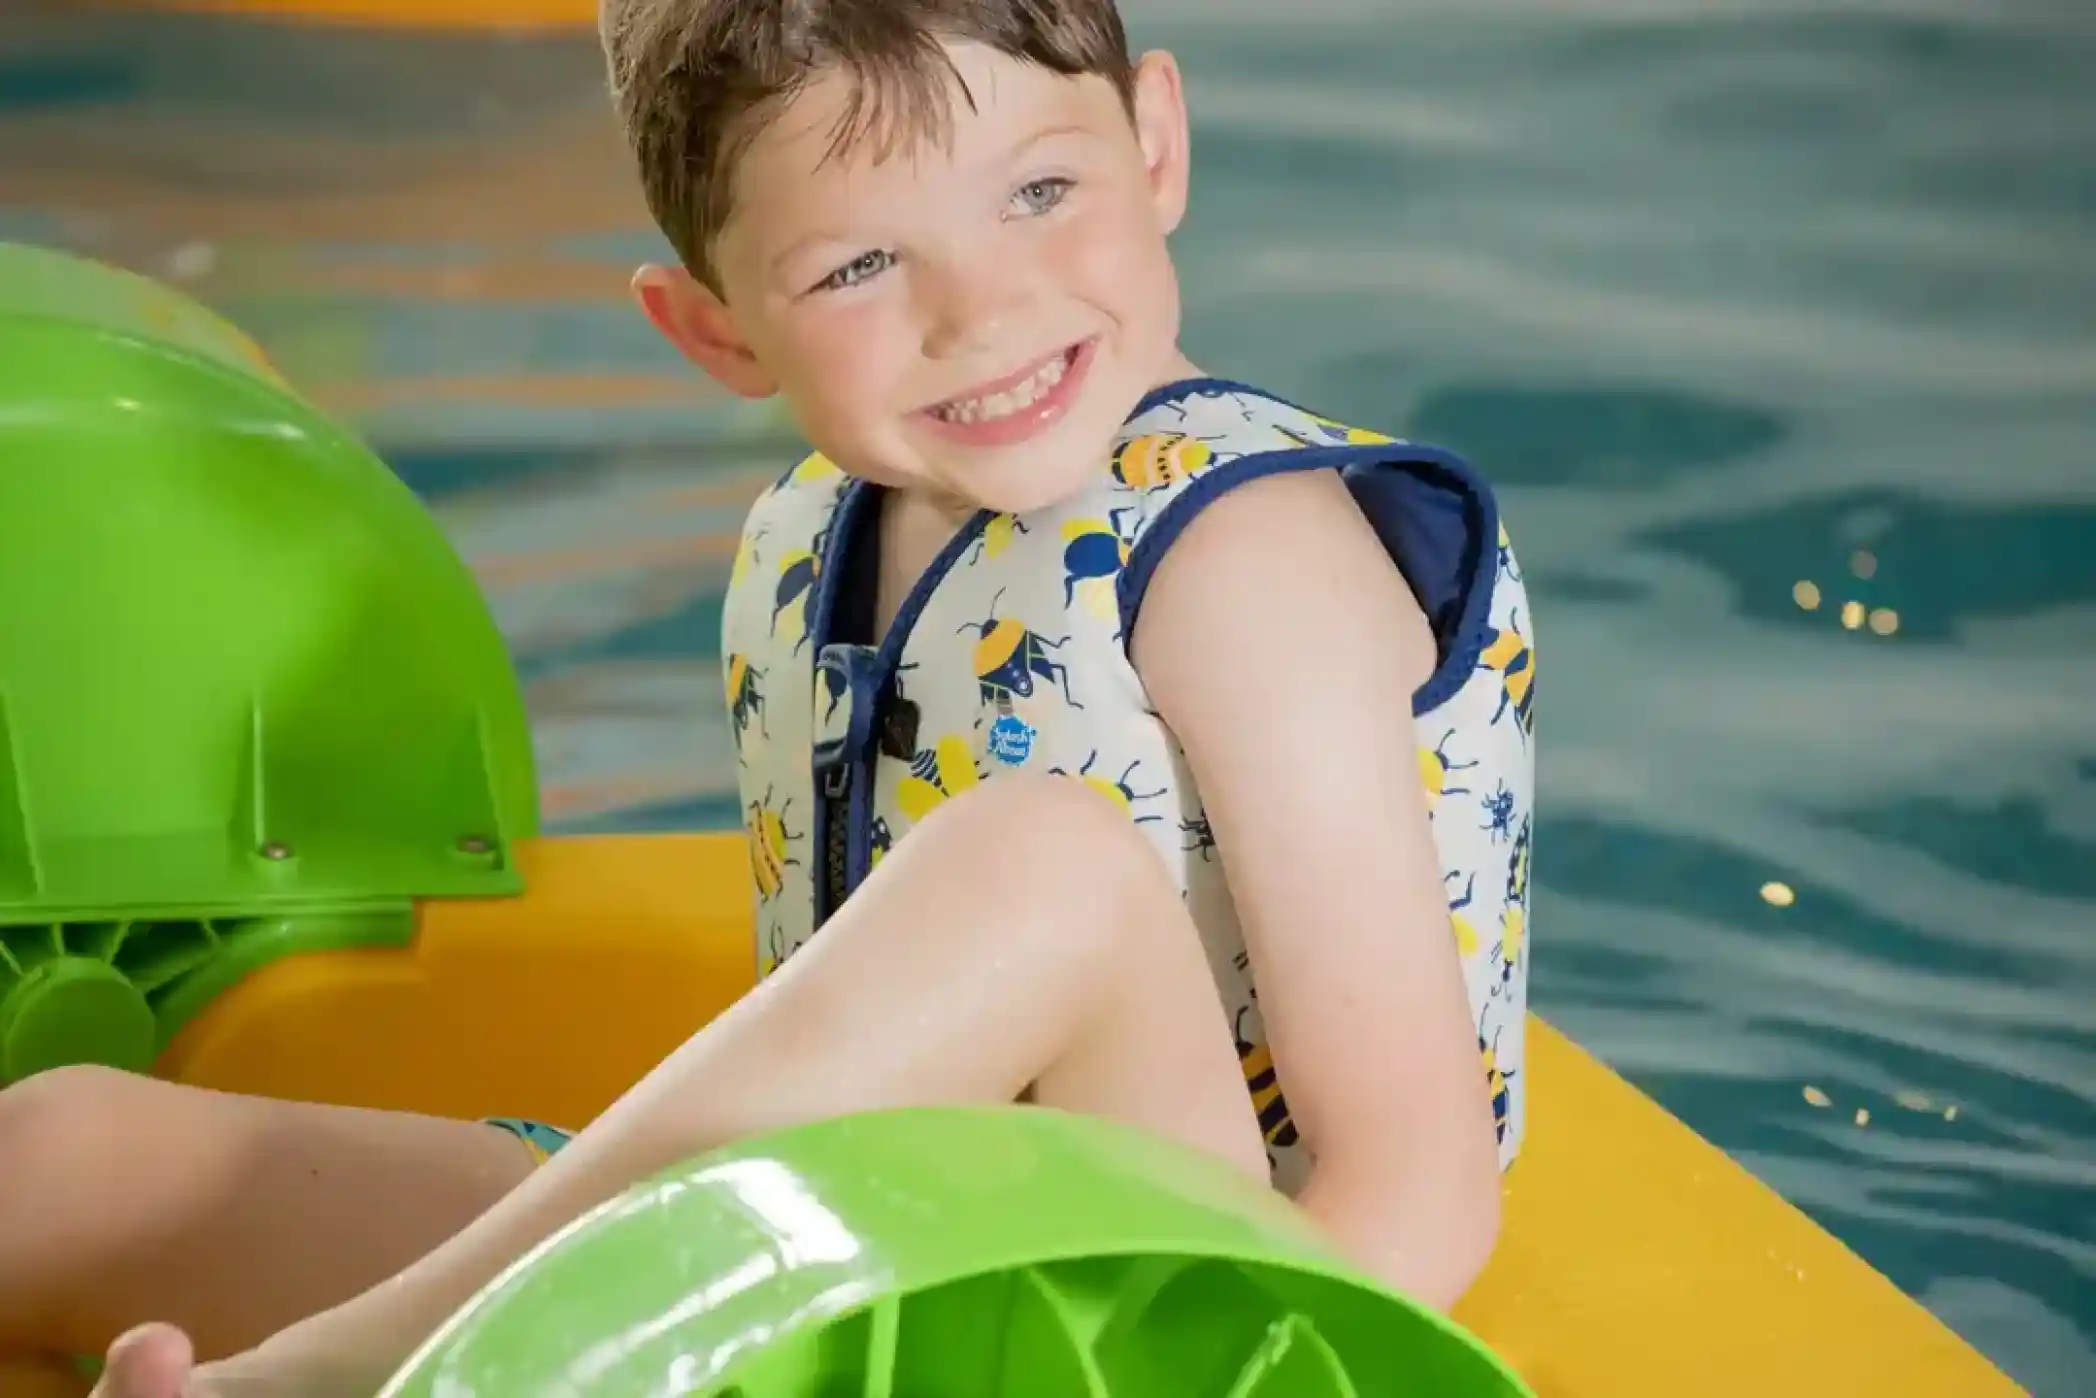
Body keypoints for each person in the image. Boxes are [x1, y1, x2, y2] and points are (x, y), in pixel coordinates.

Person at [0, 3, 1535, 1394]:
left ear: (1153, 143)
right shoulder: (816, 532)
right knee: (63, 1153)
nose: (981, 310)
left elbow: (1418, 1186)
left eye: (1039, 191)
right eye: (861, 263)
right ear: (716, 327)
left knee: (1047, 860)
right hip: (855, 1249)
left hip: (1136, 1321)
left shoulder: (1241, 556)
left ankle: (337, 1381)